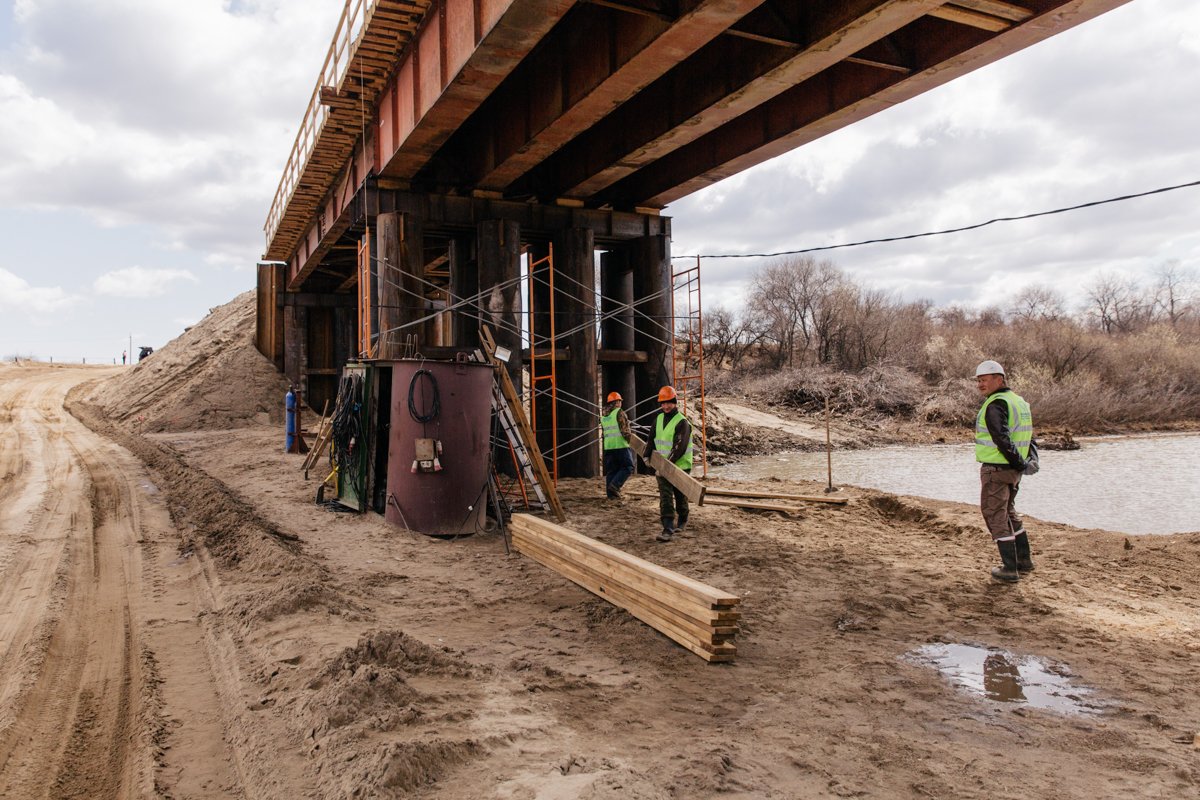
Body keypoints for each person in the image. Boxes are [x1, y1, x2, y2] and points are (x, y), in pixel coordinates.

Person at [974, 360, 1035, 583]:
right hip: (1012, 471)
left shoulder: (996, 404)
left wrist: (1019, 462)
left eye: (985, 380)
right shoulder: (1019, 402)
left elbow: (1001, 438)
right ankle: (1024, 561)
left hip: (997, 469)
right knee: (1008, 512)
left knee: (995, 514)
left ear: (999, 379)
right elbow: (1029, 436)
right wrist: (1025, 463)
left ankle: (1009, 569)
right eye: (979, 381)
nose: (981, 384)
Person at [643, 385, 693, 543]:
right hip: (662, 466)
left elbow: (679, 448)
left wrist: (666, 466)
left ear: (675, 402)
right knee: (665, 497)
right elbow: (651, 439)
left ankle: (683, 518)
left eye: (669, 403)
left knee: (680, 496)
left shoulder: (682, 422)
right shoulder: (658, 419)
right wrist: (646, 455)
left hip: (680, 466)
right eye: (663, 403)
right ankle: (668, 528)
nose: (665, 406)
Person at [600, 391, 633, 500]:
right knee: (628, 467)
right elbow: (625, 430)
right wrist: (629, 441)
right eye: (620, 401)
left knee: (612, 471)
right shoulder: (619, 412)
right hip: (620, 446)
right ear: (617, 402)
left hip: (608, 447)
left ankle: (611, 495)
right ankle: (615, 485)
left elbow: (604, 433)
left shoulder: (604, 416)